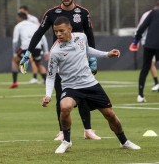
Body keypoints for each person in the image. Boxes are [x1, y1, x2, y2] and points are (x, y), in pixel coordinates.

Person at [42, 16, 141, 154]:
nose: (58, 34)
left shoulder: (81, 37)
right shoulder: (55, 51)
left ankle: (124, 141)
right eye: (55, 31)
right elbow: (51, 75)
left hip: (90, 84)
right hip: (71, 87)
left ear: (70, 29)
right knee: (64, 107)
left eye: (61, 31)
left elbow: (88, 50)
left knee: (110, 115)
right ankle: (66, 141)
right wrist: (47, 95)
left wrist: (107, 54)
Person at [20, 0, 100, 141]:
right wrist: (27, 53)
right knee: (60, 97)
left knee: (83, 97)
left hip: (79, 63)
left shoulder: (83, 13)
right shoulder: (51, 13)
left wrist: (92, 58)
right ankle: (62, 132)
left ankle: (88, 130)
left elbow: (90, 35)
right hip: (60, 63)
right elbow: (39, 32)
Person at [129, 1, 159, 102]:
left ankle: (140, 95)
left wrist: (135, 41)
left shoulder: (152, 13)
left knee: (145, 68)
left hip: (149, 44)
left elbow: (142, 27)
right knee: (150, 65)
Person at [10, 12, 47, 88]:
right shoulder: (35, 25)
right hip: (37, 47)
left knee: (14, 61)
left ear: (19, 18)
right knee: (38, 64)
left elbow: (15, 41)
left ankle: (14, 82)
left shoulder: (18, 26)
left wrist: (14, 52)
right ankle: (46, 81)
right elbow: (43, 38)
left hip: (26, 47)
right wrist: (46, 51)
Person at [19, 5, 49, 84]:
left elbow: (40, 30)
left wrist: (45, 49)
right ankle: (44, 78)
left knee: (33, 60)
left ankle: (35, 78)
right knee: (37, 62)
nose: (20, 13)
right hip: (29, 42)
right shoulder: (21, 20)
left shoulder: (33, 19)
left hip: (36, 42)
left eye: (21, 11)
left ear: (26, 11)